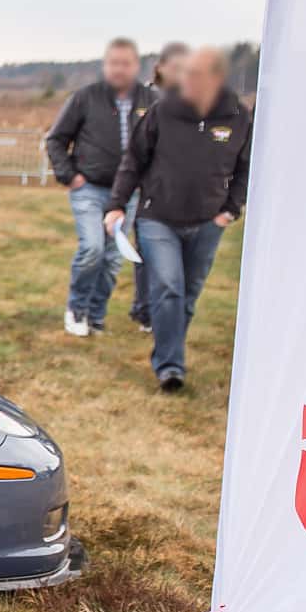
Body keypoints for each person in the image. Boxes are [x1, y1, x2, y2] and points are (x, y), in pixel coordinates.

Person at [105, 46, 253, 392]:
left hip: (208, 222)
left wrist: (230, 209)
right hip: (158, 217)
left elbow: (246, 167)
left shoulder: (238, 117)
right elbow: (134, 160)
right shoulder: (162, 112)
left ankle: (169, 348)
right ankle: (170, 366)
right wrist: (116, 204)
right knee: (168, 287)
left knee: (188, 294)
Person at [43, 37, 158, 337]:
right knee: (92, 248)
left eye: (126, 63)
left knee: (112, 258)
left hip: (129, 194)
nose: (120, 69)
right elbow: (55, 140)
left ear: (136, 65)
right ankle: (76, 310)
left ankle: (95, 316)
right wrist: (70, 176)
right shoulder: (85, 98)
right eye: (114, 63)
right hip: (90, 188)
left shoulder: (151, 101)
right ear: (105, 65)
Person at [127, 40, 192, 332]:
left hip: (178, 191)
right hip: (144, 189)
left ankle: (165, 312)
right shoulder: (140, 99)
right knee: (145, 254)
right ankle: (144, 310)